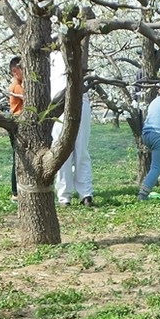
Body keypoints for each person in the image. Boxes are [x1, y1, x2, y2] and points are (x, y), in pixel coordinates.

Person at [50, 50, 94, 207]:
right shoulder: (48, 58)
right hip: (59, 105)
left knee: (79, 150)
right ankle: (68, 195)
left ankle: (82, 194)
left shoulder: (71, 52)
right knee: (65, 151)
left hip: (76, 101)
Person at [7, 56, 24, 201]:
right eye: (23, 69)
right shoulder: (16, 85)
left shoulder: (19, 83)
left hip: (20, 123)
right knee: (17, 157)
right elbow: (27, 97)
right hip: (17, 123)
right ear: (15, 71)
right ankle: (15, 191)